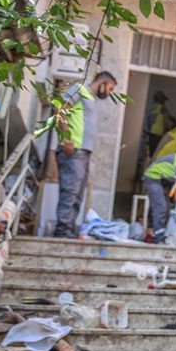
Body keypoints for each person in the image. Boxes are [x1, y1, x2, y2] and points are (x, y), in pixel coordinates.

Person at [53, 71, 117, 238]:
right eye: (110, 88)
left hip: (83, 152)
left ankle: (68, 229)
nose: (109, 93)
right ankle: (62, 231)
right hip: (73, 150)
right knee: (70, 191)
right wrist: (67, 138)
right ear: (103, 82)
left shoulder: (90, 98)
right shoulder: (79, 89)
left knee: (77, 194)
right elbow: (59, 108)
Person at [142, 151, 176, 243]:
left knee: (166, 209)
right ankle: (158, 237)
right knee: (161, 207)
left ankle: (161, 234)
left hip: (162, 180)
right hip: (153, 177)